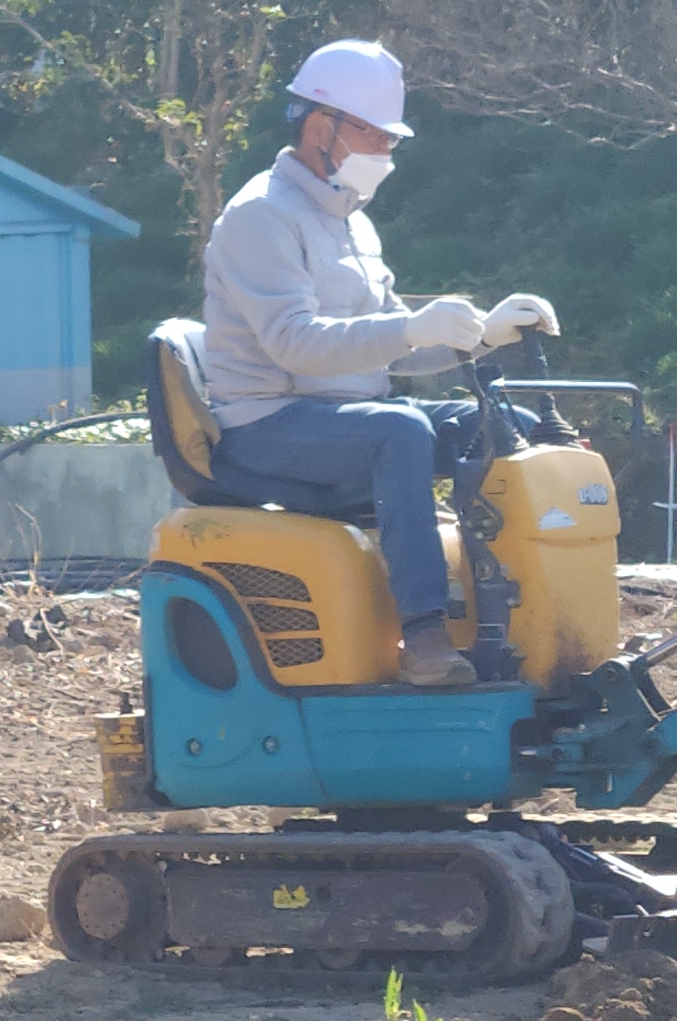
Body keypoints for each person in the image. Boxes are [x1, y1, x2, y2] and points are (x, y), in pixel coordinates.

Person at [204, 38, 562, 688]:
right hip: (268, 421)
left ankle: (516, 618)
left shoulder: (351, 222)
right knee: (400, 433)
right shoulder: (260, 216)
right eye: (377, 138)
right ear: (322, 127)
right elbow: (294, 342)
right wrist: (407, 327)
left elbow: (397, 345)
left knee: (494, 422)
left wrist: (483, 334)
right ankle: (424, 635)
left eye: (393, 141)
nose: (387, 155)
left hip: (345, 412)